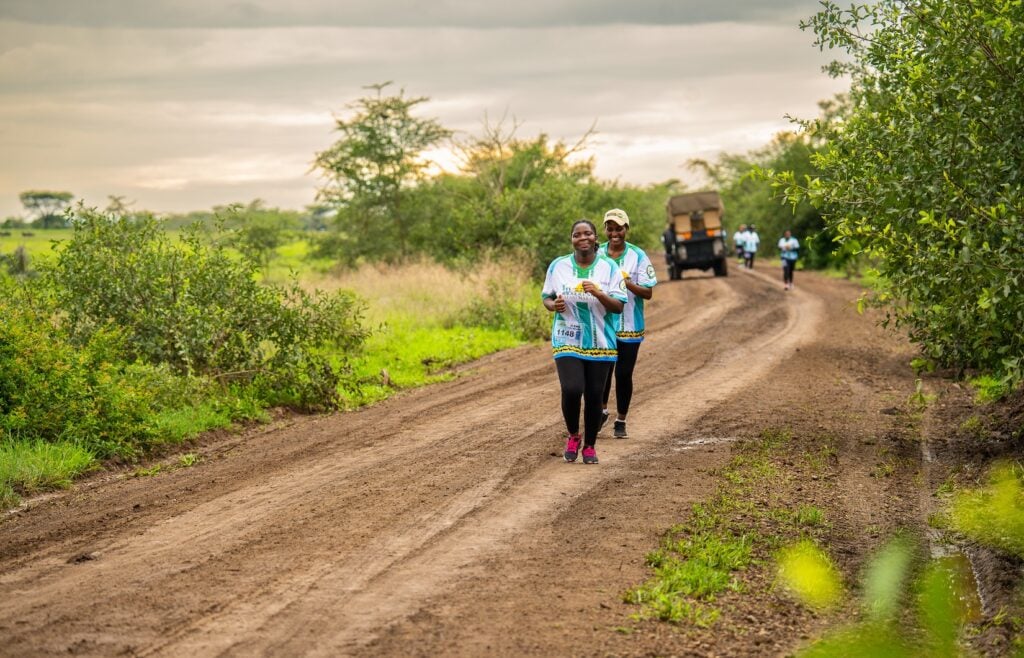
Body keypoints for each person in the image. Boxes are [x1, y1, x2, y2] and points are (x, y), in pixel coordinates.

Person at [542, 219, 627, 464]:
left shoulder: (610, 268)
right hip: (566, 336)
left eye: (587, 233)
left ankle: (590, 445)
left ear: (594, 237)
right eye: (577, 234)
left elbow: (619, 306)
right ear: (571, 239)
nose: (583, 238)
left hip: (601, 341)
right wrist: (552, 306)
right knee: (571, 389)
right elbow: (547, 297)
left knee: (593, 395)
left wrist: (599, 292)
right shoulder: (558, 266)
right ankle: (573, 435)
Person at [598, 208, 657, 439]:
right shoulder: (598, 253)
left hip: (630, 326)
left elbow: (648, 292)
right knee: (602, 371)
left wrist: (627, 282)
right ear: (605, 230)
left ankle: (621, 419)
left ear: (626, 229)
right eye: (610, 228)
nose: (614, 233)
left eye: (619, 228)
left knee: (623, 374)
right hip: (603, 323)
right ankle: (601, 411)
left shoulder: (638, 256)